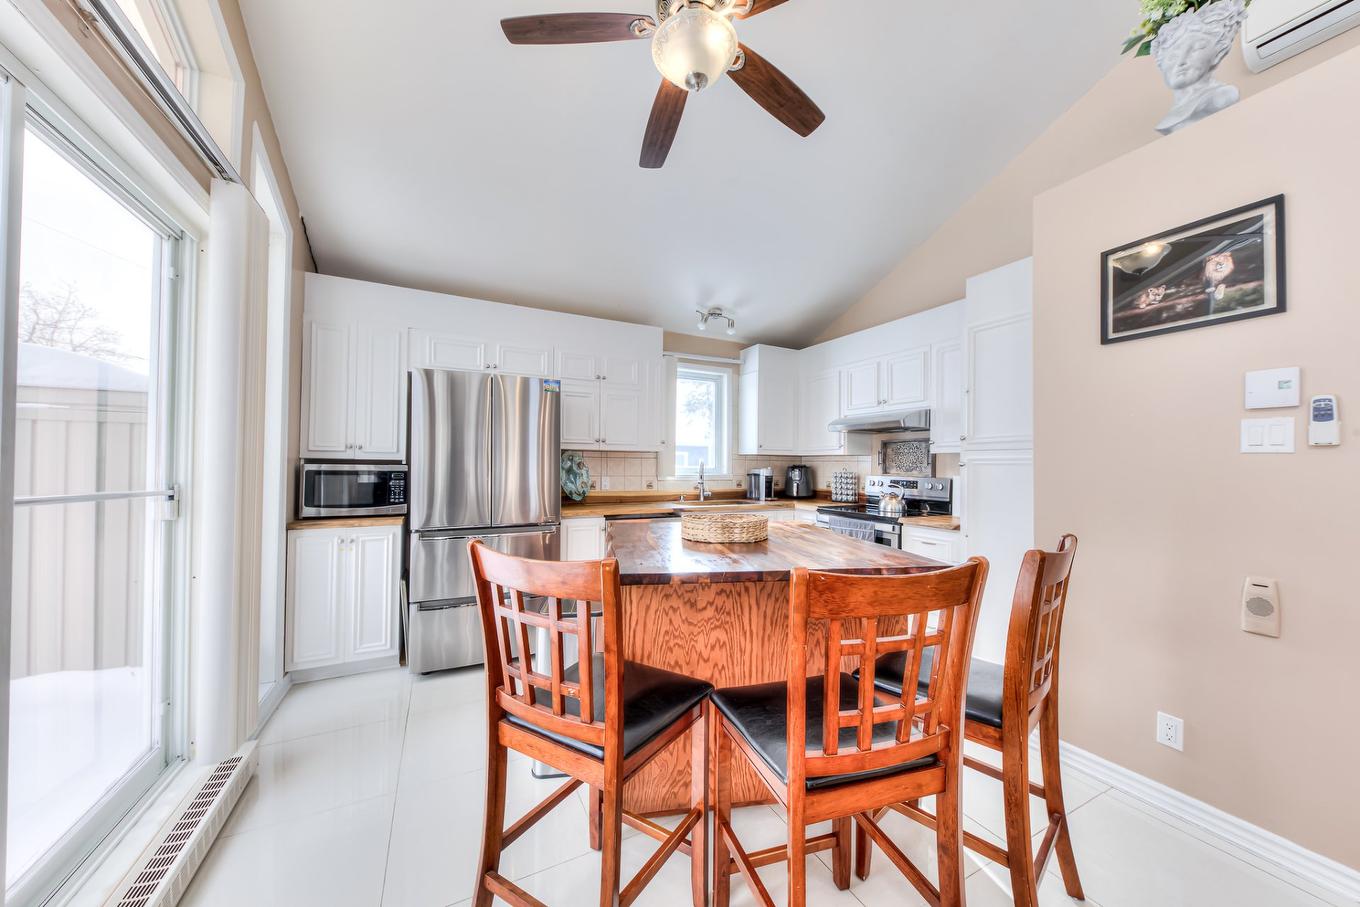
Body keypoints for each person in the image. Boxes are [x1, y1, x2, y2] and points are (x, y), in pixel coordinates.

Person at [1152, 0, 1248, 135]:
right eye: (1172, 56)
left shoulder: (1219, 98)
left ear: (1218, 53)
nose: (1181, 61)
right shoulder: (1174, 113)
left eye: (1196, 49)